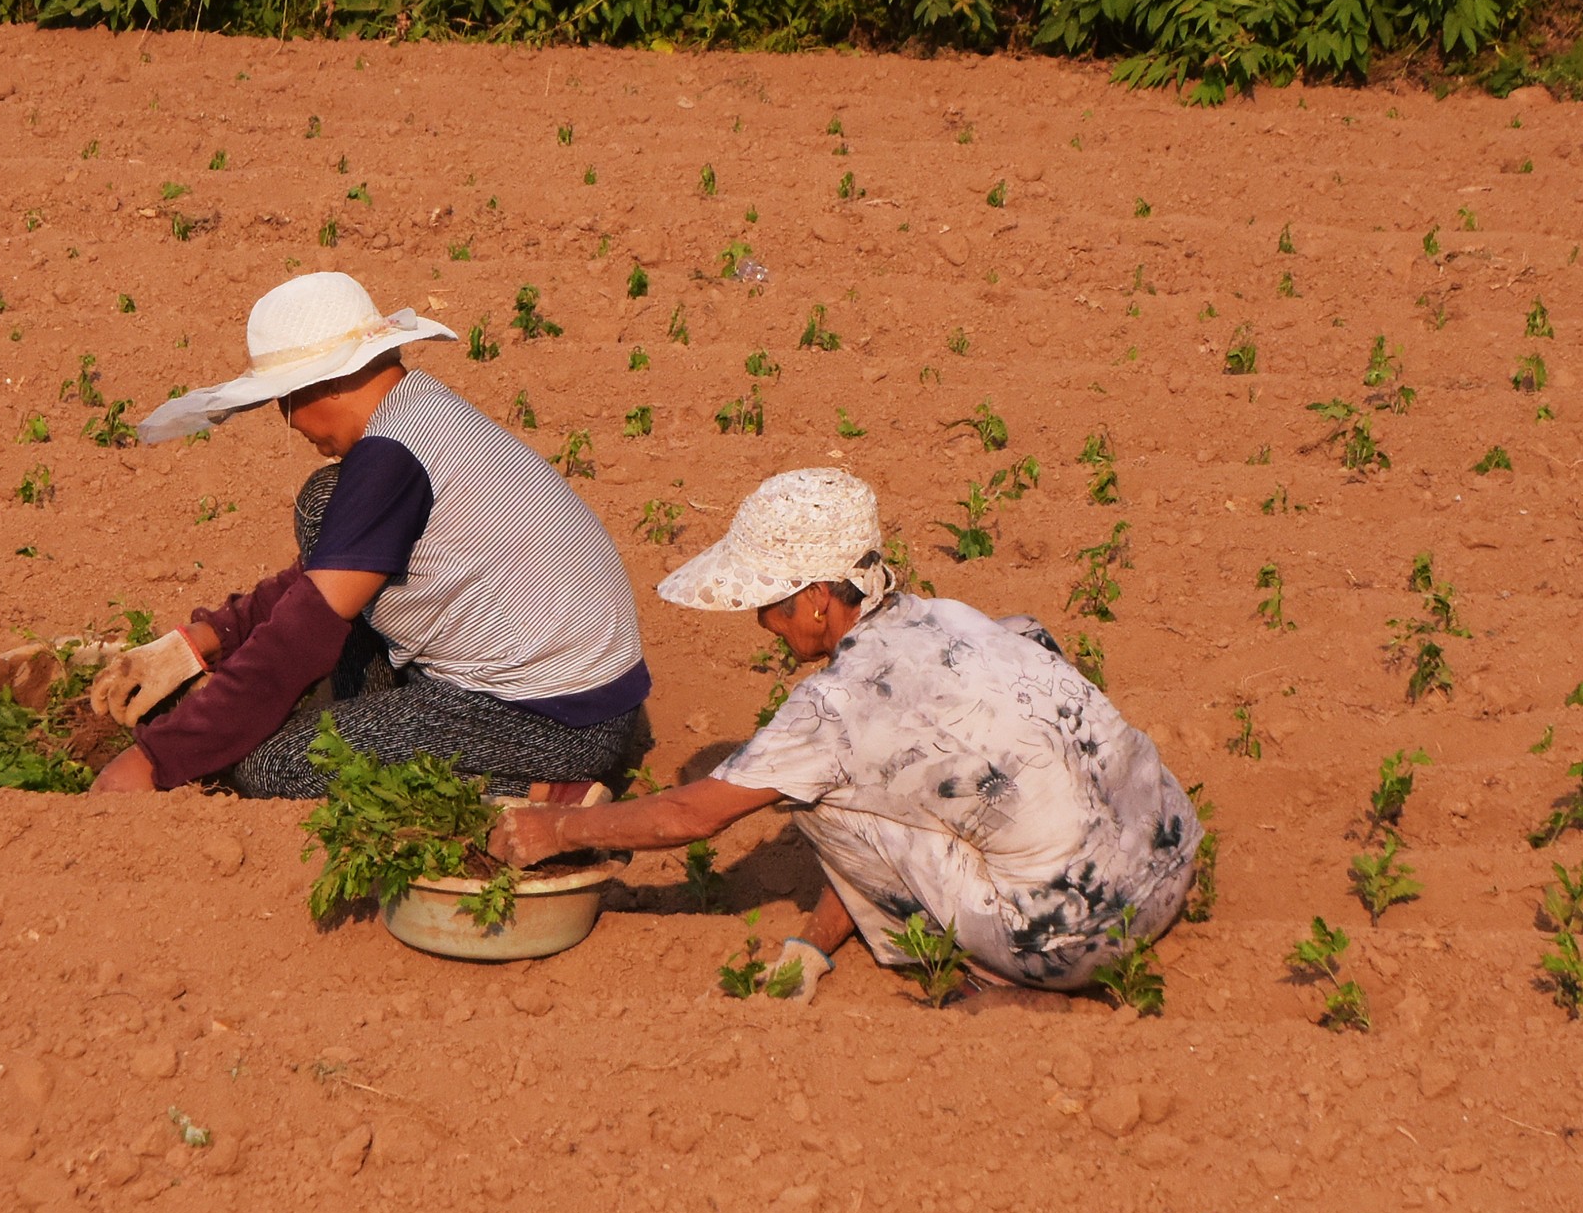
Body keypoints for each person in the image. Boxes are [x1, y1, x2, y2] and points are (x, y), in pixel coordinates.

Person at [495, 468, 1199, 1003]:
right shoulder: (951, 617)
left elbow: (692, 813)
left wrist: (555, 830)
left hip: (1079, 937)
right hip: (1170, 852)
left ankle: (992, 967)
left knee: (811, 791)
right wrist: (815, 941)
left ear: (815, 601)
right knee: (1004, 666)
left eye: (769, 606)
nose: (763, 625)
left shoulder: (835, 711)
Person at [85, 271, 652, 800]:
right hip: (590, 700)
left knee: (272, 764)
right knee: (325, 504)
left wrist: (158, 760)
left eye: (284, 400)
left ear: (322, 384)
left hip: (546, 719)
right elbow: (326, 575)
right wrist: (203, 639)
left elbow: (303, 633)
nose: (288, 419)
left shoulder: (390, 459)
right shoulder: (420, 411)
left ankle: (538, 794)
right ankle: (399, 727)